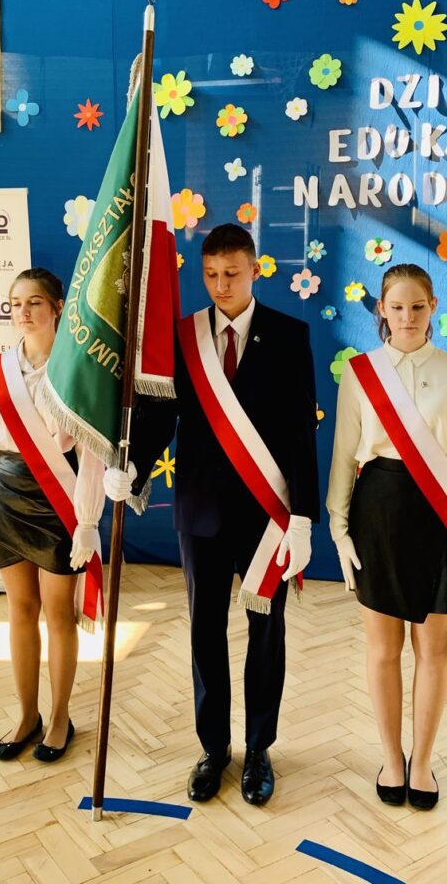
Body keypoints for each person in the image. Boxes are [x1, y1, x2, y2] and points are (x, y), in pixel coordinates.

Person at [104, 224, 320, 806]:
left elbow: (300, 432)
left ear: (255, 269)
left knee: (266, 634)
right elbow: (159, 416)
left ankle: (259, 749)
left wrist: (302, 516)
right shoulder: (184, 337)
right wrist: (134, 467)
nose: (221, 285)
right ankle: (213, 749)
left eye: (232, 273)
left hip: (267, 515)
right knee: (205, 632)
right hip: (200, 513)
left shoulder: (289, 335)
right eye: (211, 275)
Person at [326, 263, 447, 810]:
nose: (407, 317)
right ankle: (390, 758)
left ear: (433, 308)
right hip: (377, 514)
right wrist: (338, 527)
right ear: (381, 309)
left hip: (440, 517)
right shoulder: (360, 373)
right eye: (396, 307)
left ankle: (421, 762)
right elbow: (343, 454)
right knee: (383, 649)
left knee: (433, 648)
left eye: (417, 307)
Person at [0, 268, 105, 762]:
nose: (23, 313)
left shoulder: (76, 370)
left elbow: (91, 451)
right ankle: (27, 715)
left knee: (57, 613)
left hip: (57, 499)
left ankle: (61, 716)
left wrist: (87, 520)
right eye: (15, 304)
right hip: (8, 495)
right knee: (20, 609)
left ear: (58, 308)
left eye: (34, 303)